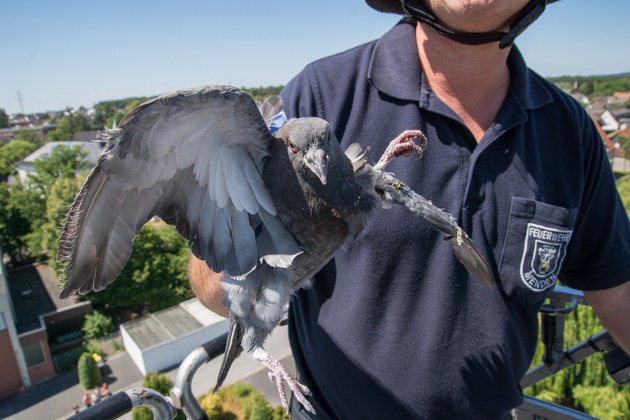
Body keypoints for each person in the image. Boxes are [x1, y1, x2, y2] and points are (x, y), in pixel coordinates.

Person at [189, 0, 630, 417]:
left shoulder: (570, 132)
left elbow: (618, 292)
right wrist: (252, 250)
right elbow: (209, 273)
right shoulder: (320, 97)